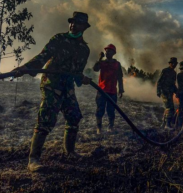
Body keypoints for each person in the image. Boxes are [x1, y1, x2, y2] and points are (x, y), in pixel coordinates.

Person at [12, 12, 92, 172]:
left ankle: (69, 152)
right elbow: (43, 56)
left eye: (77, 23)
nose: (72, 25)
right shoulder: (59, 39)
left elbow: (77, 72)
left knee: (74, 116)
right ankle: (33, 160)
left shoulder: (84, 49)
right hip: (52, 83)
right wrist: (25, 68)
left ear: (84, 27)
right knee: (46, 118)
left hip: (67, 86)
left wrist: (82, 78)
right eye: (71, 22)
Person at [93, 44, 124, 134]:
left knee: (111, 110)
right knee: (100, 109)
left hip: (112, 91)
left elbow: (120, 77)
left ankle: (111, 126)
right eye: (106, 51)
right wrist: (99, 59)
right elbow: (95, 69)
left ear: (114, 53)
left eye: (110, 51)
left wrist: (121, 89)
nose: (107, 52)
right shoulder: (102, 63)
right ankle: (99, 127)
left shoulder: (117, 64)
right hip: (101, 91)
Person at [156, 57, 178, 130]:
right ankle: (167, 125)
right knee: (170, 108)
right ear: (170, 64)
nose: (174, 65)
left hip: (170, 93)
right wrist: (158, 91)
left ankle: (164, 123)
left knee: (167, 108)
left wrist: (177, 92)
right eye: (172, 63)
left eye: (175, 63)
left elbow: (173, 84)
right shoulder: (165, 71)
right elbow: (159, 81)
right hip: (165, 92)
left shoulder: (174, 73)